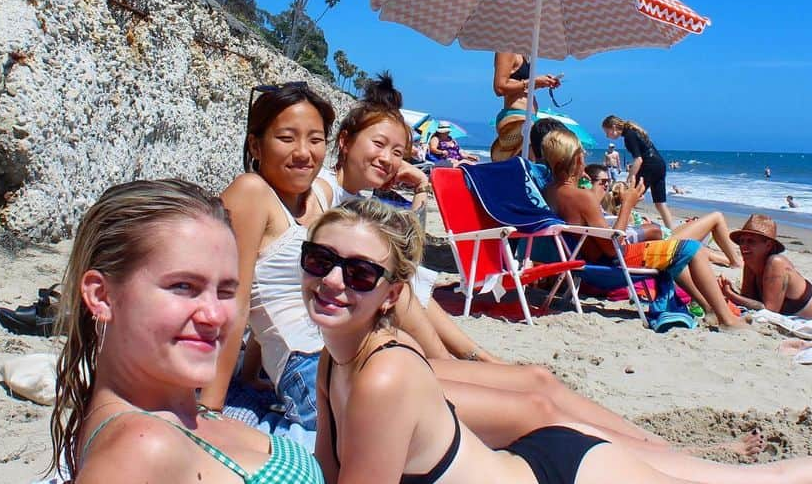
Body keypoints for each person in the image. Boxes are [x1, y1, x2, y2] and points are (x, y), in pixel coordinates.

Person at [204, 79, 710, 453]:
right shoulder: (253, 194)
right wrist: (209, 409)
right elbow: (232, 301)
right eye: (286, 137)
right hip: (321, 372)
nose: (303, 151)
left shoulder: (315, 197)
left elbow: (270, 301)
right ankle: (677, 463)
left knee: (538, 382)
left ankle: (664, 451)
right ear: (255, 143)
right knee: (534, 410)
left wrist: (410, 177)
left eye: (314, 137)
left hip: (358, 353)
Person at [307, 197, 812, 484]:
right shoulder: (335, 362)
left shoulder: (382, 373)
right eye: (320, 259)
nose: (333, 280)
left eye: (358, 272)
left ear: (390, 293)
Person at [48, 178, 325, 484]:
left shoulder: (173, 417)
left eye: (225, 291)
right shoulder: (141, 449)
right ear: (101, 296)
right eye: (183, 286)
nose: (216, 316)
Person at [542, 128, 747, 329]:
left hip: (582, 264)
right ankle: (726, 319)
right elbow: (613, 247)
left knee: (670, 252)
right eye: (582, 156)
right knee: (691, 249)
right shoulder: (582, 197)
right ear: (576, 160)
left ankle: (709, 308)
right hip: (610, 265)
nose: (585, 161)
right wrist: (627, 205)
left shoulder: (549, 192)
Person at [601, 115, 675, 229]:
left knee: (628, 199)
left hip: (650, 166)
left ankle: (621, 226)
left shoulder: (629, 136)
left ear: (614, 127)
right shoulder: (633, 131)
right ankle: (672, 232)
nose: (607, 136)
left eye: (607, 132)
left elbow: (638, 160)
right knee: (660, 203)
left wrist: (630, 177)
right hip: (659, 165)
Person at [491, 52, 561, 161]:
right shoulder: (507, 50)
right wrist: (533, 82)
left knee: (532, 162)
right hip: (516, 118)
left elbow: (519, 87)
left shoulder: (524, 54)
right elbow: (499, 87)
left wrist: (540, 83)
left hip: (527, 117)